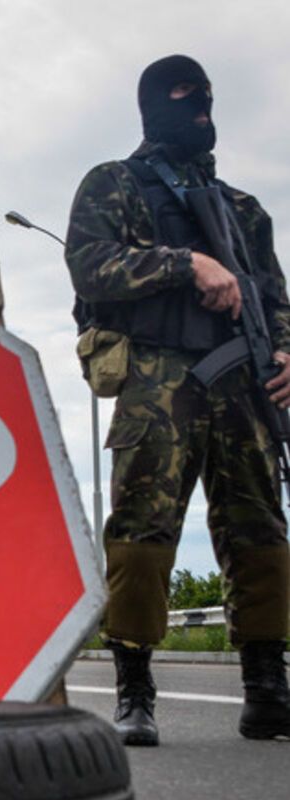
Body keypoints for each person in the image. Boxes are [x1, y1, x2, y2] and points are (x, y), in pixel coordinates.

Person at [65, 54, 290, 746]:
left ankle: (267, 687)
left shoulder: (243, 210)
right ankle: (134, 686)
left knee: (260, 529)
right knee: (143, 526)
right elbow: (90, 265)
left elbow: (276, 297)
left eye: (209, 98)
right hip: (157, 376)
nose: (202, 111)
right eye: (186, 97)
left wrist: (285, 351)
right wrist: (184, 262)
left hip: (245, 383)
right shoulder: (115, 183)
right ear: (154, 106)